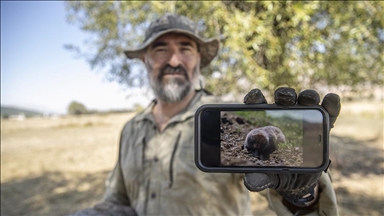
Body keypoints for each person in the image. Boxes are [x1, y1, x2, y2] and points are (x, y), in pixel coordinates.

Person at [71, 13, 340, 216]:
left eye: (185, 48)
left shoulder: (230, 120)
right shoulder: (131, 129)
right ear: (145, 59)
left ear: (199, 59)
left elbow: (283, 185)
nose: (173, 60)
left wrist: (302, 194)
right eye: (160, 48)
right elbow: (119, 200)